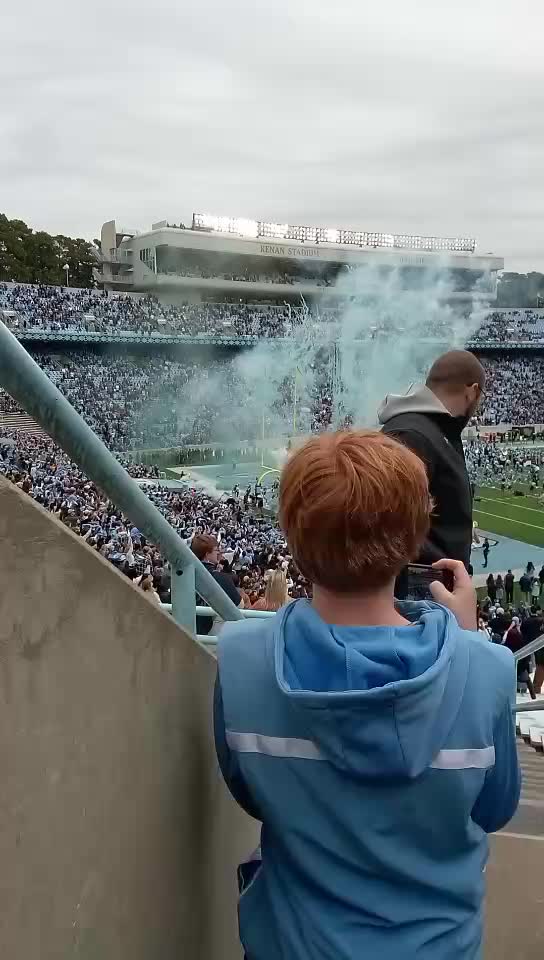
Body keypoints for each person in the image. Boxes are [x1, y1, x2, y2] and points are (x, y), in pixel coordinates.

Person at [215, 430, 520, 960]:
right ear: (412, 539)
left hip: (292, 945)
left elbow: (250, 793)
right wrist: (466, 646)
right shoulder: (487, 667)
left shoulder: (241, 655)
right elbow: (495, 808)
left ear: (293, 534)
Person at [379, 349, 485, 569]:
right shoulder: (412, 434)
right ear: (472, 391)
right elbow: (387, 526)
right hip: (418, 594)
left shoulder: (434, 431)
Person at [191, 533, 241, 634]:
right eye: (216, 550)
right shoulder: (220, 578)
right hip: (209, 637)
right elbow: (240, 605)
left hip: (184, 630)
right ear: (206, 554)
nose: (219, 553)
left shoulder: (183, 574)